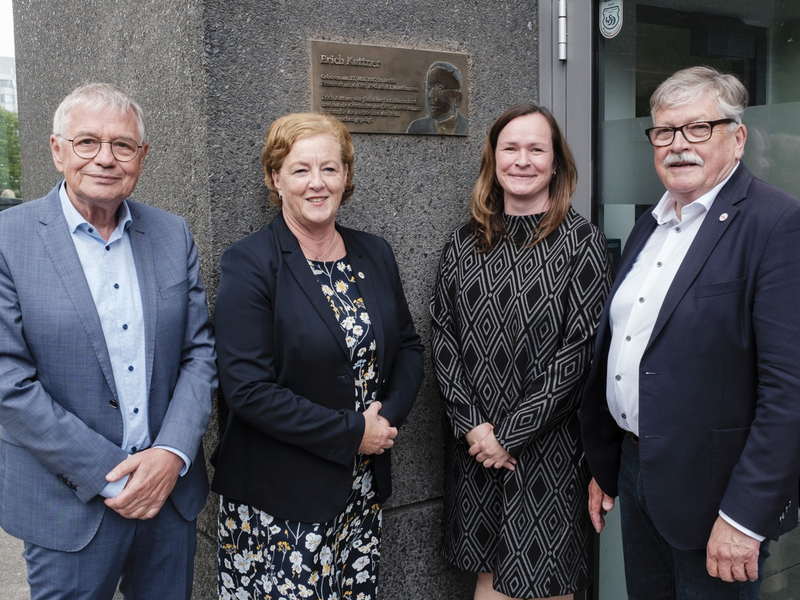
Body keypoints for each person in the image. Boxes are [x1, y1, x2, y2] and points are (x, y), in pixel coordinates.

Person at [579, 66, 800, 600]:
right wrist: (610, 467)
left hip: (716, 496)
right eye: (664, 131)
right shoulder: (648, 226)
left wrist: (745, 517)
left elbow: (789, 391)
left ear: (738, 137)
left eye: (698, 128)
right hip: (638, 475)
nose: (678, 145)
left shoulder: (776, 223)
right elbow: (629, 348)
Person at [0, 83, 217, 599]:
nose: (105, 159)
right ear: (57, 150)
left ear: (142, 157)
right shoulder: (8, 239)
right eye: (87, 142)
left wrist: (170, 454)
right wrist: (112, 475)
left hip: (169, 496)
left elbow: (200, 353)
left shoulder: (172, 234)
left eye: (122, 145)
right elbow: (7, 380)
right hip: (67, 506)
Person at [211, 112, 424, 600]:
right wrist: (354, 432)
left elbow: (409, 347)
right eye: (300, 169)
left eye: (329, 168)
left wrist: (384, 422)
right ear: (275, 178)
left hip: (359, 491)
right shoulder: (251, 262)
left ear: (346, 176)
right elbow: (247, 389)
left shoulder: (374, 253)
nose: (317, 183)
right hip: (282, 498)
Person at [431, 102, 611, 600]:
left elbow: (578, 356)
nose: (522, 160)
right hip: (477, 449)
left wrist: (509, 435)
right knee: (488, 574)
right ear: (493, 159)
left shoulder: (581, 244)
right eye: (510, 148)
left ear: (556, 163)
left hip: (546, 452)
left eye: (537, 149)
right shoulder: (464, 243)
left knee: (544, 579)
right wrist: (475, 429)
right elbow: (443, 339)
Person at [406, 61, 469, 136]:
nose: (430, 95)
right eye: (429, 87)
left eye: (439, 88)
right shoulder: (416, 128)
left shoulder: (469, 127)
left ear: (457, 98)